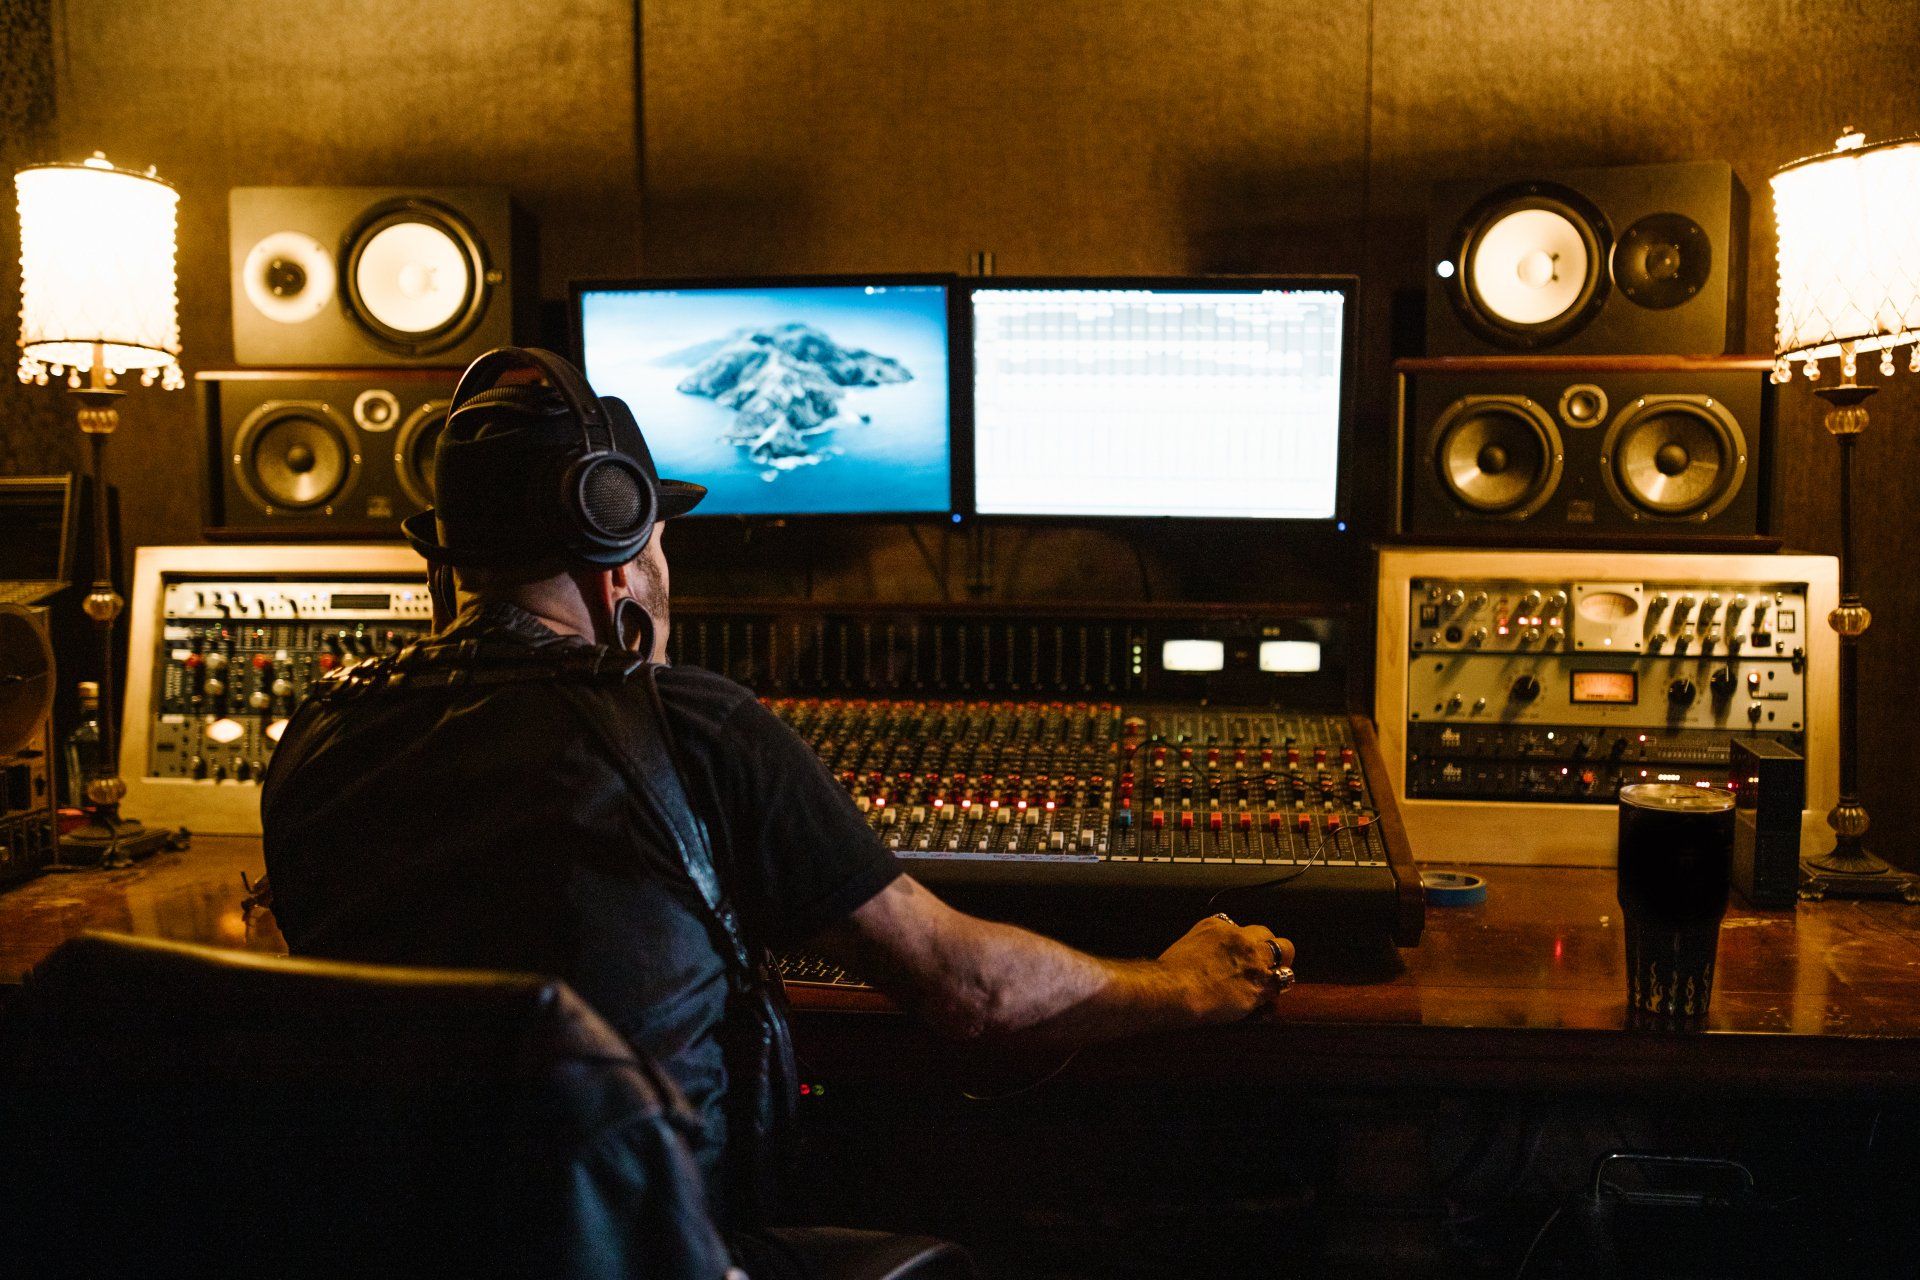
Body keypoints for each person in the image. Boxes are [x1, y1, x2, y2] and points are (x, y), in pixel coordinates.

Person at [260, 348, 1295, 1269]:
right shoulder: (697, 729)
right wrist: (1181, 980)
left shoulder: (316, 738)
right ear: (621, 541)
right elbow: (970, 991)